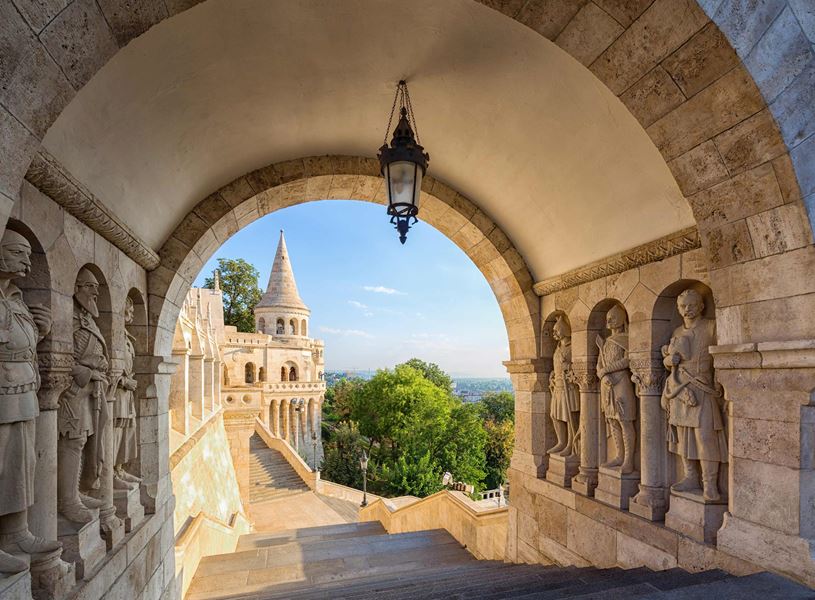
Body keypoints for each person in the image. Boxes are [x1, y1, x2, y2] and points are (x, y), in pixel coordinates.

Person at [0, 230, 61, 573]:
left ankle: (16, 533)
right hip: (3, 395)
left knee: (20, 467)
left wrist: (42, 329)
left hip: (23, 395)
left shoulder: (16, 297)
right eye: (18, 253)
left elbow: (20, 345)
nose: (27, 260)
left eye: (28, 253)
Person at [661, 289, 727, 501]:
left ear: (701, 306)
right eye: (683, 306)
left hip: (703, 388)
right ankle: (690, 477)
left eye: (691, 305)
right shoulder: (677, 332)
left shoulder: (711, 326)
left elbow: (723, 357)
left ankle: (710, 484)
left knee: (705, 437)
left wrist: (720, 384)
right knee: (683, 437)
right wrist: (669, 361)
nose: (687, 309)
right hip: (681, 390)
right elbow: (668, 360)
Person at [58, 268, 109, 523]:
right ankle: (67, 500)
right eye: (90, 286)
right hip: (72, 391)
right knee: (72, 441)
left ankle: (76, 491)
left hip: (90, 392)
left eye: (97, 287)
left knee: (84, 441)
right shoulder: (67, 315)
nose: (96, 292)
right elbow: (57, 357)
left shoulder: (87, 319)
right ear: (77, 287)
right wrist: (89, 374)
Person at [596, 305, 637, 474]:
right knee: (612, 421)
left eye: (613, 317)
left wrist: (606, 371)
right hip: (607, 385)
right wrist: (602, 375)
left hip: (621, 383)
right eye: (608, 318)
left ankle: (628, 459)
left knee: (625, 420)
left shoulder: (626, 338)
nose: (609, 321)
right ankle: (619, 456)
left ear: (621, 319)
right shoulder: (604, 343)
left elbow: (628, 361)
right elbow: (599, 365)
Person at [112, 297, 140, 491]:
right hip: (116, 394)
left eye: (131, 312)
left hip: (126, 395)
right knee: (114, 433)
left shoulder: (126, 337)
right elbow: (109, 368)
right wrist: (124, 381)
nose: (131, 316)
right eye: (127, 312)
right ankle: (110, 475)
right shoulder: (113, 335)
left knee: (125, 431)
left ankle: (119, 469)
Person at [548, 316, 580, 458]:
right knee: (555, 415)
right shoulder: (558, 348)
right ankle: (561, 442)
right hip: (558, 387)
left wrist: (569, 366)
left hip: (570, 388)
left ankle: (570, 445)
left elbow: (580, 367)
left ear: (564, 330)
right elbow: (556, 367)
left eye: (556, 330)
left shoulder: (573, 347)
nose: (554, 333)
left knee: (569, 417)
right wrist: (553, 376)